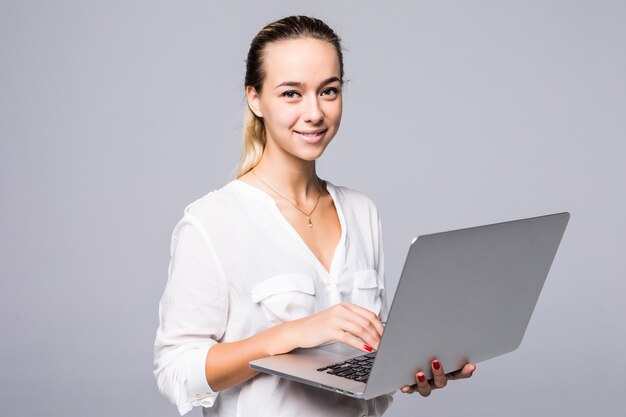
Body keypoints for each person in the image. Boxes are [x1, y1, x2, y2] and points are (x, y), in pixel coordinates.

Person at [154, 15, 475, 417]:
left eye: (329, 91)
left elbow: (372, 364)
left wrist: (413, 364)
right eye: (291, 93)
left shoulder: (362, 211)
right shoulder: (212, 222)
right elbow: (175, 371)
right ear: (255, 98)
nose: (315, 113)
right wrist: (288, 335)